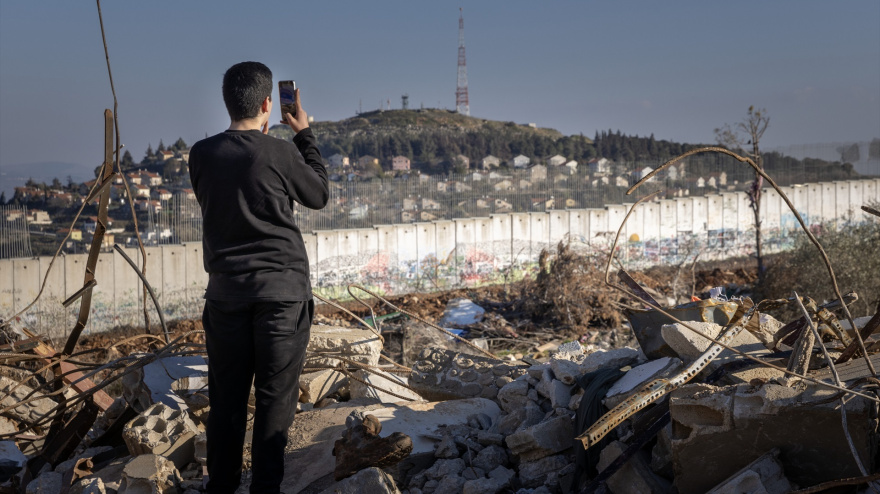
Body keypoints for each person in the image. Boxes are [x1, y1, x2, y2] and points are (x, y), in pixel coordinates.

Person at [188, 61, 328, 493]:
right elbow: (318, 194)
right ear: (270, 104)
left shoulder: (201, 154)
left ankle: (222, 488)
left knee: (226, 403)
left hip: (226, 296)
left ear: (227, 101)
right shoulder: (282, 153)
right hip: (282, 296)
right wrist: (303, 134)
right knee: (274, 404)